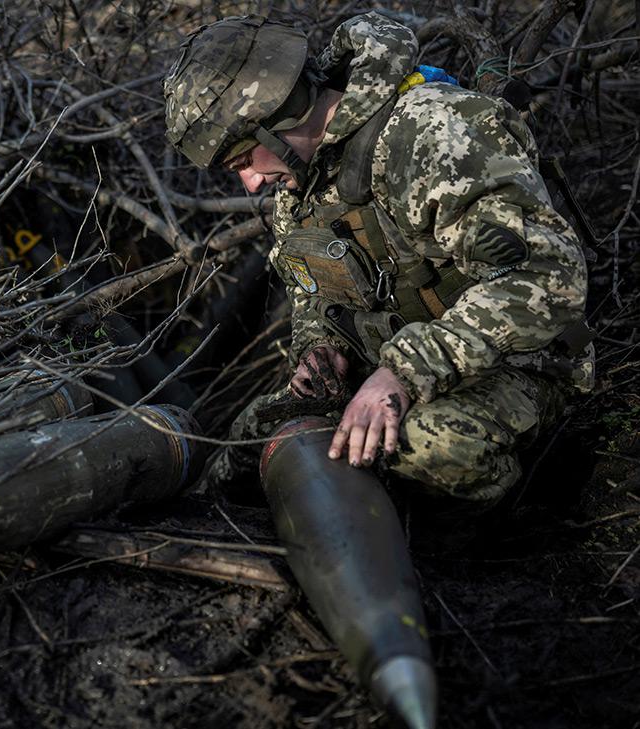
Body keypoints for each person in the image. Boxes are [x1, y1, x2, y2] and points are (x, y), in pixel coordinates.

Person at [162, 12, 594, 525]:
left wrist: (402, 372)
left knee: (430, 449)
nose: (251, 185)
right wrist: (322, 349)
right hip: (393, 372)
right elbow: (314, 295)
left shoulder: (434, 133)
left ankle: (521, 526)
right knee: (249, 443)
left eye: (242, 161)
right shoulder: (299, 184)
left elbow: (546, 278)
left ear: (276, 118)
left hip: (515, 364)